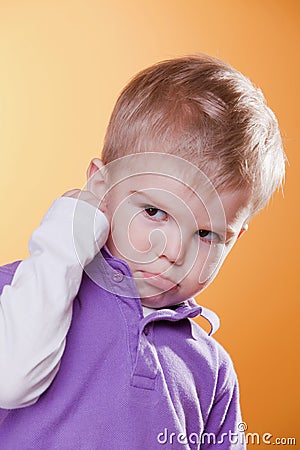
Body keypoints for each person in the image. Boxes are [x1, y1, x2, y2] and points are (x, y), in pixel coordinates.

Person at [0, 54, 286, 449]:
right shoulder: (19, 294)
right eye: (154, 212)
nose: (172, 251)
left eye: (206, 234)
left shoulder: (212, 370)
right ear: (100, 189)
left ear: (233, 238)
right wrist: (64, 240)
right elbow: (9, 379)